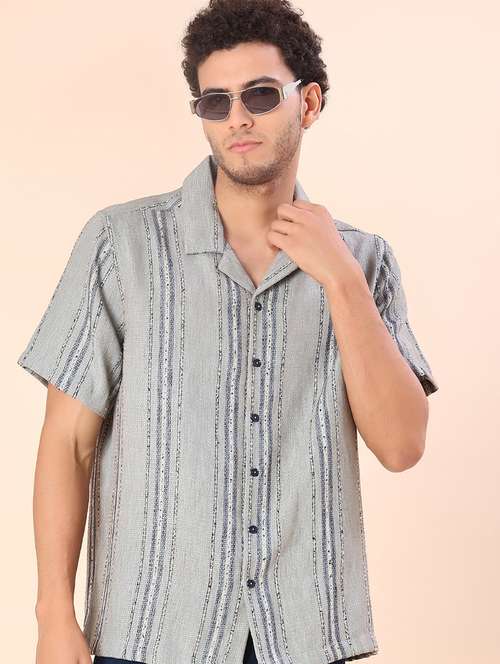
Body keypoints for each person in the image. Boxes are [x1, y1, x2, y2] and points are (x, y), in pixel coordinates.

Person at [18, 1, 439, 663]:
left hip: (303, 635)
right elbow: (67, 443)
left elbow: (401, 446)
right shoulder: (121, 245)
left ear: (309, 103)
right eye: (215, 102)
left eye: (261, 95)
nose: (237, 118)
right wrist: (53, 616)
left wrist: (341, 281)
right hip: (151, 630)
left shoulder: (363, 260)